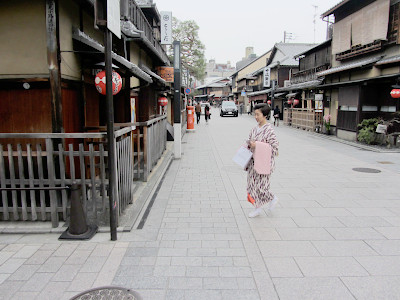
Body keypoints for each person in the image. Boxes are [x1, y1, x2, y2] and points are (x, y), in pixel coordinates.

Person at [246, 103, 279, 218]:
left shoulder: (269, 130)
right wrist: (249, 145)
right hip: (253, 163)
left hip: (264, 163)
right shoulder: (254, 129)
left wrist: (257, 145)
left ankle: (272, 198)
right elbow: (250, 141)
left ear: (265, 115)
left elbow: (275, 148)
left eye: (258, 114)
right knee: (252, 186)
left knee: (262, 187)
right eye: (254, 114)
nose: (255, 117)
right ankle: (257, 208)